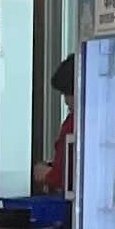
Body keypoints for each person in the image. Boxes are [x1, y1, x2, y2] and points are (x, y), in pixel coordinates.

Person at [41, 52, 78, 196]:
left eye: (69, 94)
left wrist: (46, 174)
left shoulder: (75, 124)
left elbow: (67, 177)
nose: (66, 101)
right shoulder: (70, 121)